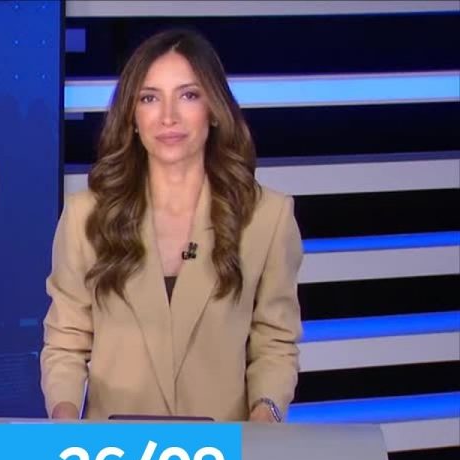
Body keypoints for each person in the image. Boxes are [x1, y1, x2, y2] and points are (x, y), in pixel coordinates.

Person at [40, 28, 303, 423]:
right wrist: (65, 422)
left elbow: (275, 342)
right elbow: (66, 341)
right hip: (113, 453)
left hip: (221, 451)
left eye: (188, 95)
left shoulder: (267, 217)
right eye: (149, 98)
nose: (168, 117)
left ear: (213, 109)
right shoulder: (85, 216)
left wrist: (264, 418)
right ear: (132, 116)